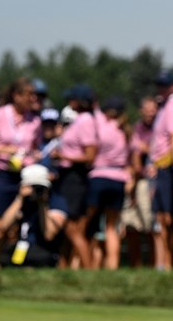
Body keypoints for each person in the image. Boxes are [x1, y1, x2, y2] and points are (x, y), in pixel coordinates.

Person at [0, 77, 41, 268]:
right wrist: (4, 150)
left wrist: (34, 156)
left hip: (23, 176)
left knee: (10, 229)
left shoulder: (35, 120)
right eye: (29, 94)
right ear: (16, 96)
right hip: (0, 174)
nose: (33, 98)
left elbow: (35, 148)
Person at [55, 84, 98, 269]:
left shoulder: (86, 120)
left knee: (73, 228)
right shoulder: (80, 120)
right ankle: (64, 267)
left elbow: (90, 155)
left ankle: (88, 269)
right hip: (68, 177)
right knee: (68, 228)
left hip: (75, 178)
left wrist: (62, 156)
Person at [85, 96, 130, 269]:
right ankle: (112, 265)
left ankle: (85, 263)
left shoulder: (102, 125)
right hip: (118, 179)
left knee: (89, 223)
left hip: (99, 176)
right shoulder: (125, 130)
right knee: (111, 228)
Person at [148, 70, 173, 271]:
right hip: (160, 166)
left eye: (165, 85)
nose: (161, 89)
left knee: (168, 218)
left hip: (168, 167)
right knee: (161, 217)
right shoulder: (165, 105)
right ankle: (163, 263)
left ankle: (169, 262)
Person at [0, 164, 68, 268]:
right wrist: (20, 199)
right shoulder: (21, 200)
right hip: (19, 247)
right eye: (32, 186)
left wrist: (43, 205)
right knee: (3, 258)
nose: (36, 190)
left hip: (43, 250)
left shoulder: (56, 200)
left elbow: (49, 234)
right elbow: (3, 226)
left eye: (40, 187)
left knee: (41, 259)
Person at [120, 96, 157, 268]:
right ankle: (136, 265)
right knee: (131, 226)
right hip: (133, 180)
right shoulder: (136, 129)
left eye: (153, 110)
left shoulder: (159, 128)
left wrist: (145, 149)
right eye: (147, 110)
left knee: (149, 226)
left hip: (149, 181)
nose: (150, 113)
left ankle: (154, 263)